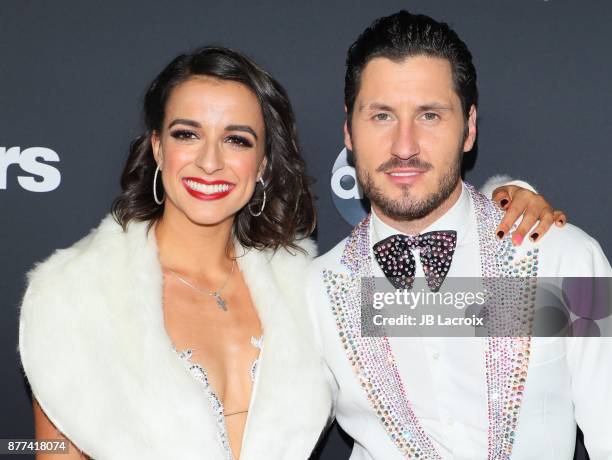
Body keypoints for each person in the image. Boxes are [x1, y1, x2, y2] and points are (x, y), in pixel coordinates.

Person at [19, 46, 560, 460]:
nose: (210, 162)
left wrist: (498, 203)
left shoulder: (310, 287)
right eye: (187, 134)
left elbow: (476, 311)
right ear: (158, 147)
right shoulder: (74, 296)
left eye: (237, 139)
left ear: (262, 163)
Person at [307, 10, 612, 460]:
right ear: (349, 132)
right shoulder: (313, 293)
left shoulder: (566, 260)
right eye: (381, 116)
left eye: (429, 115)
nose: (404, 145)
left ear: (468, 128)